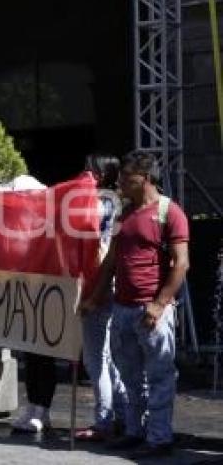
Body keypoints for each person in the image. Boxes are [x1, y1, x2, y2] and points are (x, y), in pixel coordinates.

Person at [84, 151, 189, 458]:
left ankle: (159, 438)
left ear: (143, 179)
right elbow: (111, 261)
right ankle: (135, 431)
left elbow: (181, 264)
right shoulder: (123, 214)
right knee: (130, 376)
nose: (119, 184)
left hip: (151, 311)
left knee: (159, 376)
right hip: (122, 308)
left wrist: (159, 305)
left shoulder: (170, 212)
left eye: (125, 179)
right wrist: (96, 297)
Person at [75, 155, 128, 441]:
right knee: (106, 356)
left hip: (98, 284)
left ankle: (105, 419)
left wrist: (92, 293)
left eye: (89, 168)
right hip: (110, 284)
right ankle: (121, 414)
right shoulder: (117, 203)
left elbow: (96, 246)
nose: (84, 172)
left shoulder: (96, 203)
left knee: (96, 358)